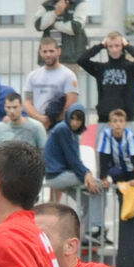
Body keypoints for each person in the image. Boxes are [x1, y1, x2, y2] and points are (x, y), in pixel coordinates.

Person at [44, 102, 102, 240]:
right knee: (97, 184)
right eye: (73, 118)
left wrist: (86, 174)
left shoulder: (72, 132)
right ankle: (95, 227)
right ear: (68, 117)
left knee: (87, 198)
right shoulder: (63, 129)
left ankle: (86, 234)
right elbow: (73, 160)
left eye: (79, 119)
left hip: (63, 174)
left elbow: (74, 160)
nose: (75, 122)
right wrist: (87, 174)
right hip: (57, 175)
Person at [78, 32, 134, 124]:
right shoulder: (101, 68)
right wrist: (100, 45)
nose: (114, 50)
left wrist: (127, 45)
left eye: (117, 46)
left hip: (126, 118)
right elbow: (81, 60)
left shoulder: (130, 68)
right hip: (105, 118)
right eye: (110, 46)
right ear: (107, 48)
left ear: (122, 46)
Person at [24, 38, 79, 131]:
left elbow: (70, 104)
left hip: (59, 126)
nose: (48, 55)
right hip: (36, 126)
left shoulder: (69, 75)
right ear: (40, 53)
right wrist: (40, 118)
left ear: (59, 51)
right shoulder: (32, 75)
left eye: (51, 51)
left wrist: (50, 121)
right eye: (45, 51)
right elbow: (27, 102)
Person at [34, 0, 89, 67]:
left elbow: (75, 28)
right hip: (49, 58)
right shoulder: (47, 5)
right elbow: (38, 25)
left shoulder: (80, 4)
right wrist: (55, 13)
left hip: (71, 59)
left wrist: (54, 24)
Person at [95, 108, 134, 188]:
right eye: (115, 121)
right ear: (110, 124)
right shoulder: (106, 135)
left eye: (121, 121)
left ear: (125, 124)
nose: (118, 124)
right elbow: (104, 157)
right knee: (114, 172)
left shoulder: (130, 135)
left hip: (130, 170)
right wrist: (104, 179)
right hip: (117, 171)